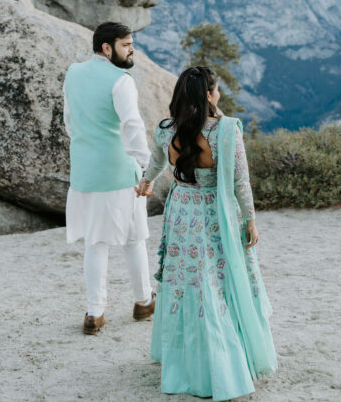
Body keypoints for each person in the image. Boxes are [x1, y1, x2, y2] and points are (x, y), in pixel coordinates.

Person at [138, 66, 277, 399]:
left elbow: (157, 163)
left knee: (186, 281)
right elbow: (241, 181)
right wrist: (250, 220)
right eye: (216, 91)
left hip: (180, 211)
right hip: (213, 215)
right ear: (210, 95)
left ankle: (184, 361)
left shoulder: (164, 130)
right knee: (214, 284)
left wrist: (145, 181)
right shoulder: (225, 131)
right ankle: (221, 366)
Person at [63, 21, 156, 335]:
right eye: (126, 45)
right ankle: (143, 303)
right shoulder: (121, 81)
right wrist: (146, 170)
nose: (132, 50)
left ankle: (94, 313)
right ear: (107, 48)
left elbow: (69, 123)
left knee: (95, 242)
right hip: (118, 174)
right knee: (134, 238)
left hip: (84, 173)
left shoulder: (73, 74)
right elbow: (133, 127)